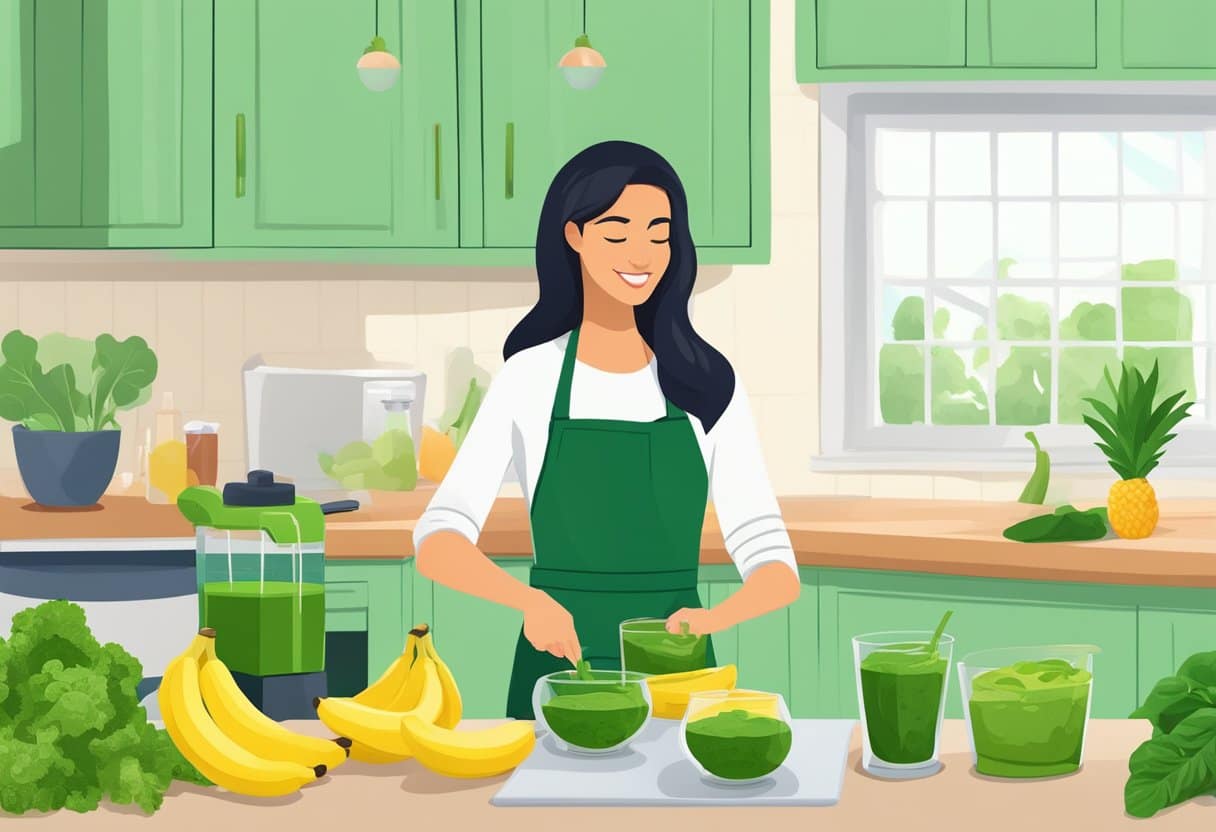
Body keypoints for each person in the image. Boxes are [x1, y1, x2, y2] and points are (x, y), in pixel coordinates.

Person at [414, 140, 800, 719]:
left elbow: (773, 560)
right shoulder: (530, 377)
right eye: (617, 233)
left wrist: (714, 619)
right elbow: (438, 539)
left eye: (658, 234)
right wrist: (529, 603)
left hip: (677, 673)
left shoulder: (705, 382)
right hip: (557, 673)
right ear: (574, 236)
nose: (641, 255)